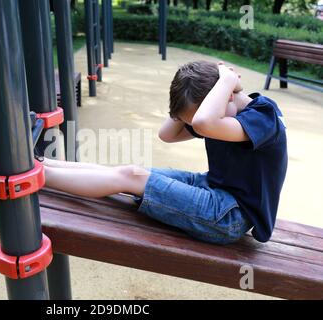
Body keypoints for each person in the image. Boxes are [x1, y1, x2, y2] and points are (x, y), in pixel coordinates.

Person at [38, 61, 288, 245]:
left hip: (230, 215)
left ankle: (38, 176)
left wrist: (226, 81)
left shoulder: (263, 118)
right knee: (129, 172)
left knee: (132, 176)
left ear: (228, 97)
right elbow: (167, 134)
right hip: (211, 186)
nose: (196, 124)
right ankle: (43, 163)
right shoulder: (219, 115)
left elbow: (203, 122)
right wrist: (209, 94)